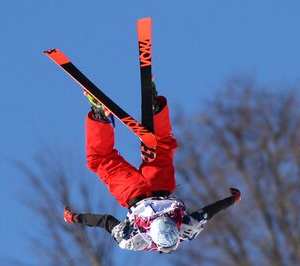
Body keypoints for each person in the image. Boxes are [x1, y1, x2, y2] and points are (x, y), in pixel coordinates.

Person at [63, 86, 241, 254]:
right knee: (103, 160)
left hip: (157, 186)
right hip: (135, 193)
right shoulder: (141, 237)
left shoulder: (136, 239)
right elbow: (106, 221)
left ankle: (146, 110)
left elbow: (209, 212)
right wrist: (74, 218)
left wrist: (232, 199)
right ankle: (114, 114)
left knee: (162, 146)